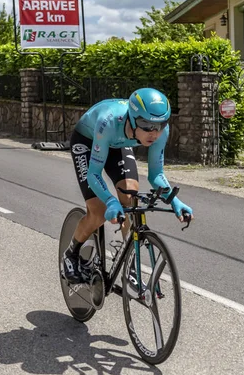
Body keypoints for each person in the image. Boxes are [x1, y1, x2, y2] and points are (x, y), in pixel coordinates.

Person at [63, 87, 193, 284]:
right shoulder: (108, 121)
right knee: (98, 212)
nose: (154, 133)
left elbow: (156, 174)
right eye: (146, 125)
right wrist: (110, 201)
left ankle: (129, 265)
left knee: (130, 196)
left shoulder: (160, 131)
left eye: (160, 125)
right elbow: (94, 174)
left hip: (118, 143)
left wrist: (174, 201)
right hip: (90, 141)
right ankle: (71, 255)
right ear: (133, 119)